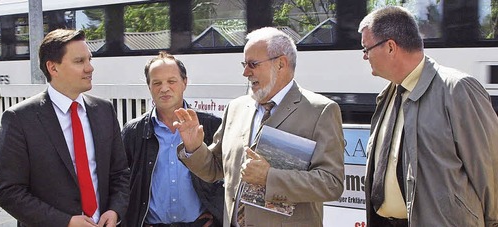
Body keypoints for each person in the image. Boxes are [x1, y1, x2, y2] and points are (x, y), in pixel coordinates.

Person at [173, 27, 345, 226]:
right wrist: (194, 147)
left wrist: (269, 178)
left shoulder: (320, 111)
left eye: (252, 64)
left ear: (281, 64)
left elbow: (331, 183)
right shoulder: (236, 107)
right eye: (244, 64)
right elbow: (215, 169)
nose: (245, 72)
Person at [359, 6, 498, 226]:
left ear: (390, 47)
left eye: (366, 49)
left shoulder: (457, 89)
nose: (365, 57)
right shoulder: (388, 94)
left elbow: (489, 170)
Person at [0, 29, 130, 227]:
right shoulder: (19, 119)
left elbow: (120, 173)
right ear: (53, 68)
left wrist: (115, 210)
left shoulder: (104, 110)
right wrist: (65, 222)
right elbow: (9, 192)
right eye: (79, 61)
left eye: (89, 59)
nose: (89, 68)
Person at [121, 51, 224, 227]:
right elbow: (122, 181)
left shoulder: (210, 125)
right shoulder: (133, 132)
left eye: (171, 81)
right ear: (149, 87)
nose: (164, 88)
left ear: (185, 82)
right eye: (157, 83)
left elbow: (225, 174)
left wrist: (216, 213)